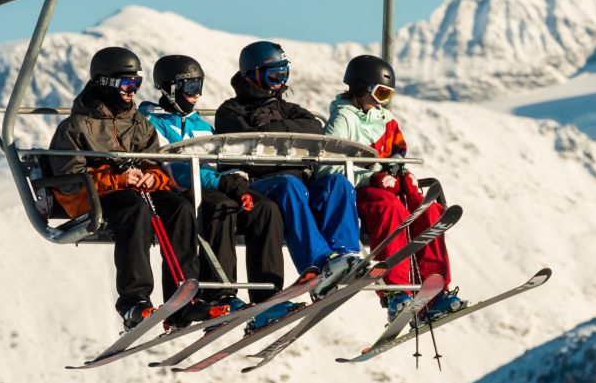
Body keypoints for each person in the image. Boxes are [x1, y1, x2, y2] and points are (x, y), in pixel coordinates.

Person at [48, 46, 199, 330]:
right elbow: (69, 179)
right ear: (105, 83)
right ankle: (134, 301)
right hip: (93, 199)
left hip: (137, 191)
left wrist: (154, 177)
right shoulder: (76, 127)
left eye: (137, 84)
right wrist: (118, 179)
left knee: (179, 208)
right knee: (134, 208)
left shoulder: (137, 122)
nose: (133, 91)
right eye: (128, 84)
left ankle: (183, 298)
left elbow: (155, 161)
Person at [138, 54, 294, 329]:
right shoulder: (153, 122)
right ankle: (219, 294)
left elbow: (224, 159)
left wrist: (237, 181)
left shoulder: (202, 126)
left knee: (265, 209)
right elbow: (175, 169)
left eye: (199, 86)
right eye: (190, 87)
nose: (196, 94)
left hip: (217, 187)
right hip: (184, 192)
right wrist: (223, 183)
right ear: (171, 88)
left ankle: (267, 298)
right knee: (221, 207)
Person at [324, 54, 467, 325]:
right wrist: (369, 178)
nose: (382, 100)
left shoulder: (386, 120)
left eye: (388, 94)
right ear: (360, 88)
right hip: (359, 193)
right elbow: (327, 170)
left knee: (430, 212)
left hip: (388, 187)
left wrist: (402, 174)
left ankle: (435, 293)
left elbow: (397, 154)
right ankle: (396, 292)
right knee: (390, 209)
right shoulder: (342, 119)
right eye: (380, 92)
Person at [214, 41, 362, 294]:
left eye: (284, 75)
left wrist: (271, 130)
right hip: (260, 184)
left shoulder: (287, 108)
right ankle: (318, 264)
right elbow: (245, 141)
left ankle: (346, 254)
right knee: (289, 184)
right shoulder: (230, 111)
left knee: (337, 184)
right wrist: (282, 133)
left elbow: (314, 128)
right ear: (252, 75)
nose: (280, 82)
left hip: (297, 183)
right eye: (274, 75)